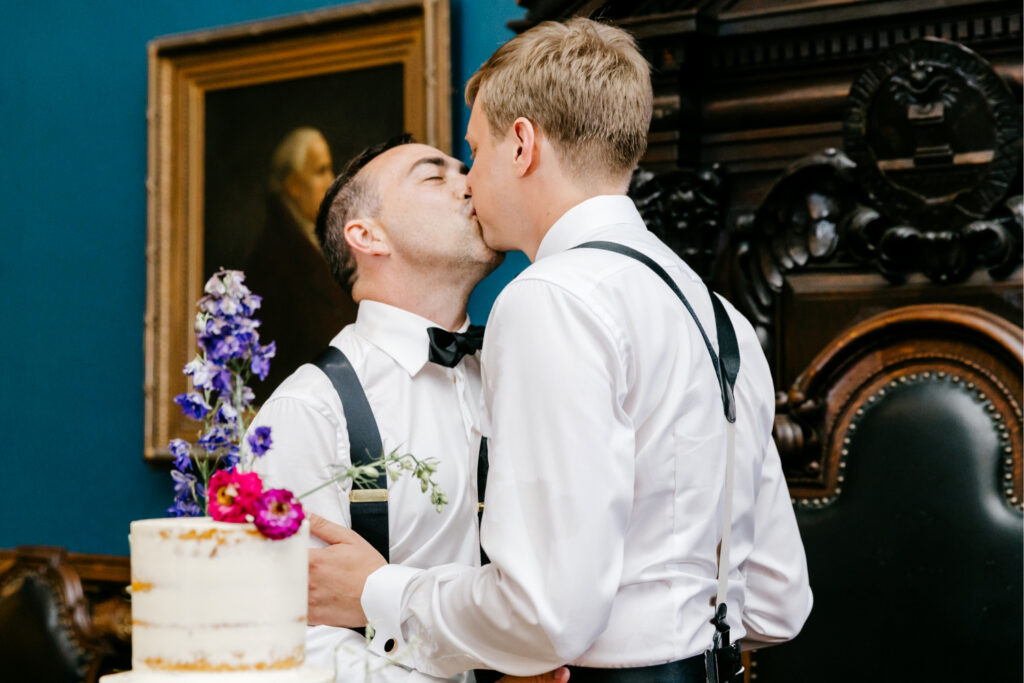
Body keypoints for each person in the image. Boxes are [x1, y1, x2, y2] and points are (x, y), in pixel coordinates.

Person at [309, 17, 813, 682]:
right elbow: (779, 602)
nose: (470, 181)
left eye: (476, 151)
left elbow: (544, 615)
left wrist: (379, 591)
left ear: (521, 145)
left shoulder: (549, 298)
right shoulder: (719, 318)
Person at [248, 136, 565, 683]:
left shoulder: (523, 375)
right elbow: (291, 643)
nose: (469, 183)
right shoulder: (309, 412)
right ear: (367, 235)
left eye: (464, 168)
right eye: (433, 176)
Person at [245, 127, 358, 400]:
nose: (331, 181)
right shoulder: (275, 256)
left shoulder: (316, 239)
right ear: (294, 186)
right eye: (320, 171)